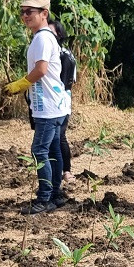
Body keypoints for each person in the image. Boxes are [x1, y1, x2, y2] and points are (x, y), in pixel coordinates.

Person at [3, 0, 71, 214]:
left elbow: (41, 70)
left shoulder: (42, 37)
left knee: (39, 151)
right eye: (22, 12)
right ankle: (56, 194)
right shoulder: (46, 36)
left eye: (29, 12)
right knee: (53, 151)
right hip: (55, 104)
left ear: (44, 13)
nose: (25, 16)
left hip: (49, 107)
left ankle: (45, 198)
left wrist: (20, 84)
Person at [48, 15, 76, 184]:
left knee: (59, 136)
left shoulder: (64, 55)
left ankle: (65, 171)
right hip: (55, 102)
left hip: (60, 101)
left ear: (59, 34)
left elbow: (65, 83)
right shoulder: (56, 53)